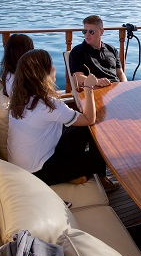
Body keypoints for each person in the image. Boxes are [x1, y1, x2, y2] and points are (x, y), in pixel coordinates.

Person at [7, 49, 117, 190]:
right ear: (43, 73)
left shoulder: (20, 99)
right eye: (51, 65)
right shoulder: (47, 105)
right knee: (100, 148)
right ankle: (97, 177)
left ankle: (77, 171)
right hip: (39, 172)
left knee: (81, 128)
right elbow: (89, 119)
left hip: (24, 166)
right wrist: (88, 88)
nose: (54, 68)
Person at [68, 15, 126, 89]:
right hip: (95, 90)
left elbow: (120, 73)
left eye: (91, 32)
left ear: (101, 32)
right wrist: (96, 81)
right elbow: (77, 78)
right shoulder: (78, 51)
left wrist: (125, 86)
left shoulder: (111, 49)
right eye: (84, 31)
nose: (87, 35)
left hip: (116, 88)